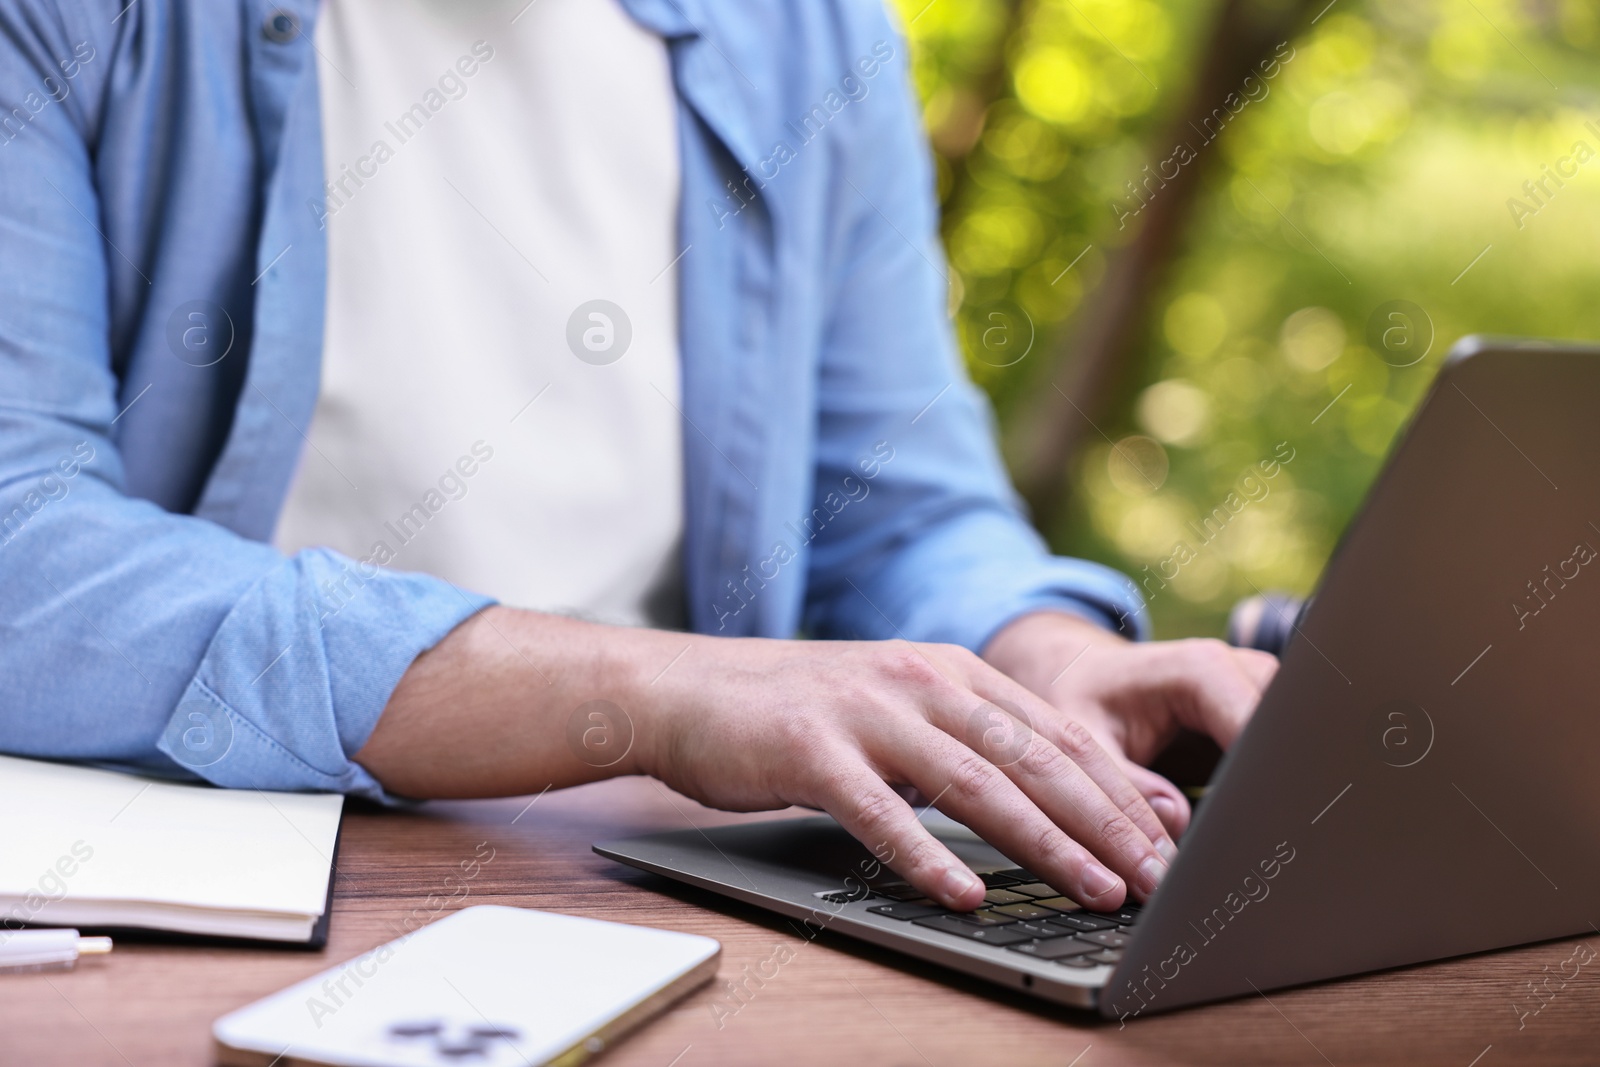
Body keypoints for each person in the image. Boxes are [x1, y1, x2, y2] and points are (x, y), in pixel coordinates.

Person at [0, 0, 1276, 914]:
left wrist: (1046, 665)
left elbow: (899, 512)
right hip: (200, 886)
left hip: (674, 890)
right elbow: (25, 547)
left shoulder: (812, 38)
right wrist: (667, 694)